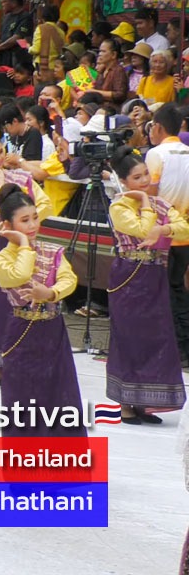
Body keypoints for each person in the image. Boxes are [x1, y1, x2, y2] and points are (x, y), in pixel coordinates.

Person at [0, 185, 84, 437]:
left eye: (34, 217)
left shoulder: (53, 251)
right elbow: (19, 274)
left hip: (53, 330)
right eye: (24, 221)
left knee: (59, 393)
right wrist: (23, 244)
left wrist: (50, 294)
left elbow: (69, 280)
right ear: (8, 224)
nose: (32, 225)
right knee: (23, 397)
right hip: (23, 331)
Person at [107, 147, 189, 423]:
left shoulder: (162, 204)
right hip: (130, 274)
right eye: (137, 178)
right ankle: (127, 403)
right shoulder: (119, 206)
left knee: (156, 336)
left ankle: (146, 401)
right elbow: (143, 231)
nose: (144, 181)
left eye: (146, 176)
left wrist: (164, 229)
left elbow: (184, 228)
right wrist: (144, 202)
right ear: (125, 181)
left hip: (154, 275)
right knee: (129, 335)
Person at [0, 132, 52, 384]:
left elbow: (45, 203)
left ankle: (25, 361)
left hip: (28, 244)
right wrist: (4, 179)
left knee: (28, 306)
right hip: (1, 244)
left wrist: (30, 219)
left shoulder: (24, 177)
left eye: (0, 153)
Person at [147, 105, 189, 365]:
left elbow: (151, 194)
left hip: (163, 234)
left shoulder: (156, 154)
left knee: (166, 292)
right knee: (179, 288)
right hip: (185, 233)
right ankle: (184, 345)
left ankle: (177, 348)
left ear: (158, 127)